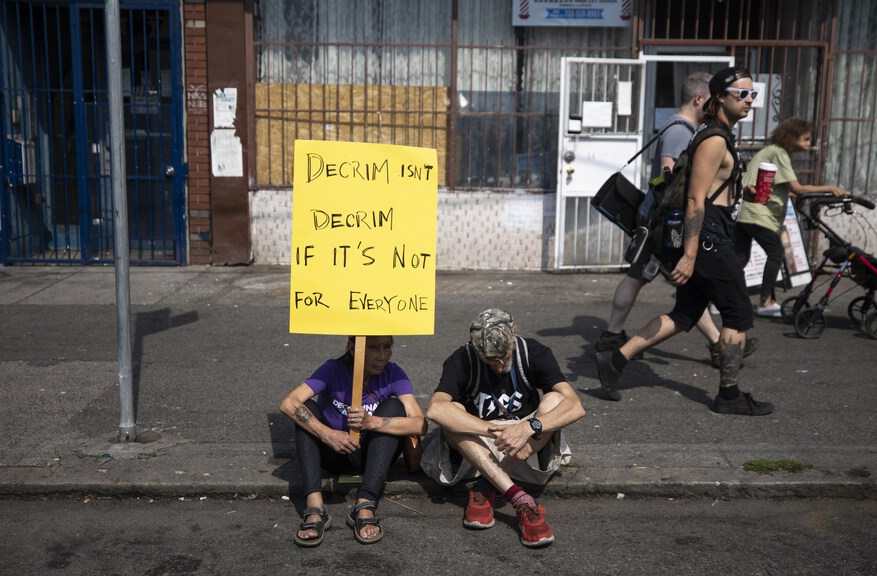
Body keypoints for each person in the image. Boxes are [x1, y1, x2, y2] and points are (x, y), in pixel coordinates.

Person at [595, 66, 774, 416]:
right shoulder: (714, 139)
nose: (750, 101)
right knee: (738, 313)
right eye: (742, 94)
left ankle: (615, 359)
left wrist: (744, 192)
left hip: (711, 233)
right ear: (720, 96)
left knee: (685, 313)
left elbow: (713, 189)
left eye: (754, 94)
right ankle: (729, 395)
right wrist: (690, 255)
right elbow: (695, 200)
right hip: (708, 239)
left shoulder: (719, 134)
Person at [423, 309, 585, 548]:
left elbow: (575, 407)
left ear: (513, 334)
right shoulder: (462, 359)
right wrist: (491, 429)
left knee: (555, 399)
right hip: (477, 452)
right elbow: (435, 410)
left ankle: (485, 486)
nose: (499, 366)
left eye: (505, 356)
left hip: (525, 450)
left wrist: (531, 426)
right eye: (490, 361)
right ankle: (519, 499)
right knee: (451, 411)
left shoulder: (534, 352)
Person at [279, 335, 426, 546]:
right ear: (352, 347)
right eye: (374, 348)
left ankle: (365, 504)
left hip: (371, 455)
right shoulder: (332, 369)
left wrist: (373, 423)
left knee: (394, 407)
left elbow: (420, 424)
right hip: (333, 453)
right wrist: (327, 434)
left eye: (387, 347)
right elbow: (288, 404)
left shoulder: (394, 373)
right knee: (305, 410)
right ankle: (315, 506)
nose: (382, 356)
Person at [735, 117, 847, 317]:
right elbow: (798, 188)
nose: (809, 144)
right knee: (776, 253)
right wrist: (830, 188)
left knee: (739, 259)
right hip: (758, 213)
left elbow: (789, 191)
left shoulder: (771, 152)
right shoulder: (779, 153)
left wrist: (817, 194)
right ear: (791, 138)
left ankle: (716, 300)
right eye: (805, 139)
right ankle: (766, 302)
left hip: (746, 212)